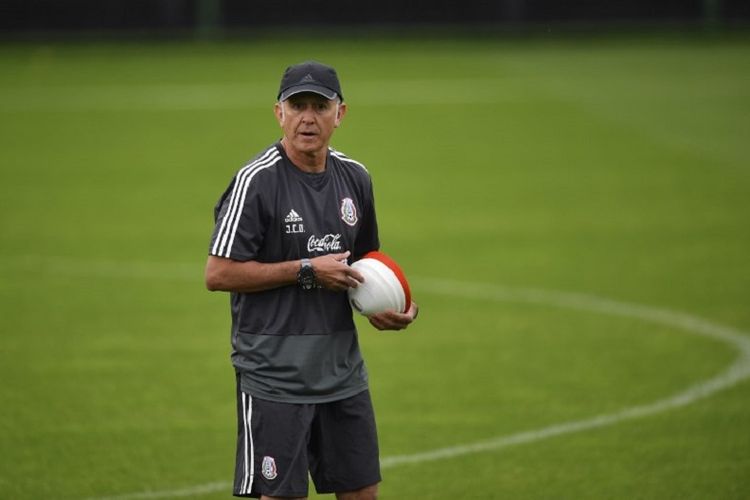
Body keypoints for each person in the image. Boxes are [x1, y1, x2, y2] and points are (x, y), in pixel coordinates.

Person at [205, 60, 419, 500]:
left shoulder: (355, 178)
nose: (308, 117)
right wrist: (306, 269)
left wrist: (386, 306)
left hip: (342, 376)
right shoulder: (256, 182)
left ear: (339, 114)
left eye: (319, 106)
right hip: (275, 379)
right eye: (296, 105)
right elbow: (218, 273)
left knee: (363, 494)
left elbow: (363, 264)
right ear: (278, 112)